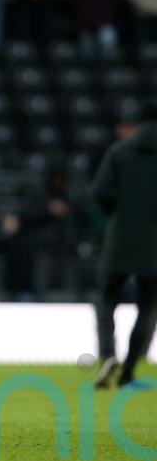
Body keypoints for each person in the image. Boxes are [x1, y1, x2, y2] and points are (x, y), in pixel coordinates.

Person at [91, 121, 157, 388]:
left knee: (107, 298)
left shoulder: (119, 152)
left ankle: (108, 354)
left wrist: (117, 216)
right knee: (147, 306)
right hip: (154, 241)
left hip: (119, 237)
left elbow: (98, 192)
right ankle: (129, 371)